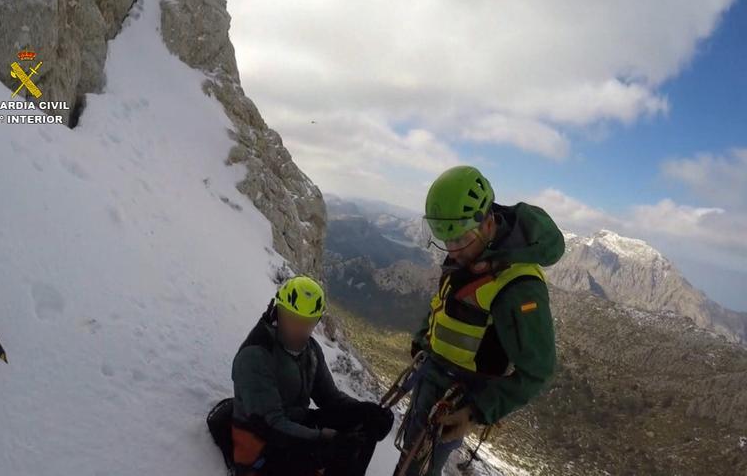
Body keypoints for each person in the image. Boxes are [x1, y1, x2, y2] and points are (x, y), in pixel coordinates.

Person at [395, 165, 565, 476]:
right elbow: (446, 303)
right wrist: (423, 341)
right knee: (408, 460)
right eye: (446, 240)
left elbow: (538, 371)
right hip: (432, 375)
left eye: (459, 239)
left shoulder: (519, 287)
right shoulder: (472, 252)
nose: (452, 249)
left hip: (456, 400)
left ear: (487, 223)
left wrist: (474, 413)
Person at [231, 275, 394, 476]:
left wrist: (366, 411)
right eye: (292, 318)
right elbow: (271, 425)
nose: (300, 329)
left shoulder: (310, 350)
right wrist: (325, 439)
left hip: (295, 425)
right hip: (263, 446)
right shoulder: (256, 355)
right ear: (278, 312)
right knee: (338, 449)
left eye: (308, 322)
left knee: (365, 420)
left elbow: (330, 398)